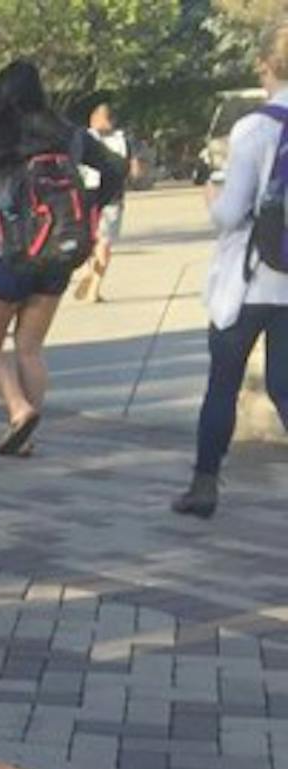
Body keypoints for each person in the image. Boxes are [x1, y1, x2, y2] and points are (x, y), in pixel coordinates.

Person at [0, 61, 124, 458]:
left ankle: (19, 409)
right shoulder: (68, 135)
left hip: (6, 256)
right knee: (30, 348)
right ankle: (25, 436)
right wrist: (93, 203)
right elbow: (114, 168)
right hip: (56, 256)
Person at [174, 25, 288, 518]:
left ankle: (204, 484)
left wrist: (211, 199)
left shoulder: (256, 128)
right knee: (286, 385)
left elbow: (231, 212)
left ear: (265, 65)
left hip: (249, 277)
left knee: (223, 382)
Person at [74, 101, 138, 303]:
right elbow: (133, 169)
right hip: (112, 197)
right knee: (105, 242)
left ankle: (87, 269)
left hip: (85, 195)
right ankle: (94, 288)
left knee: (85, 238)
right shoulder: (123, 140)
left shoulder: (82, 138)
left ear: (95, 119)